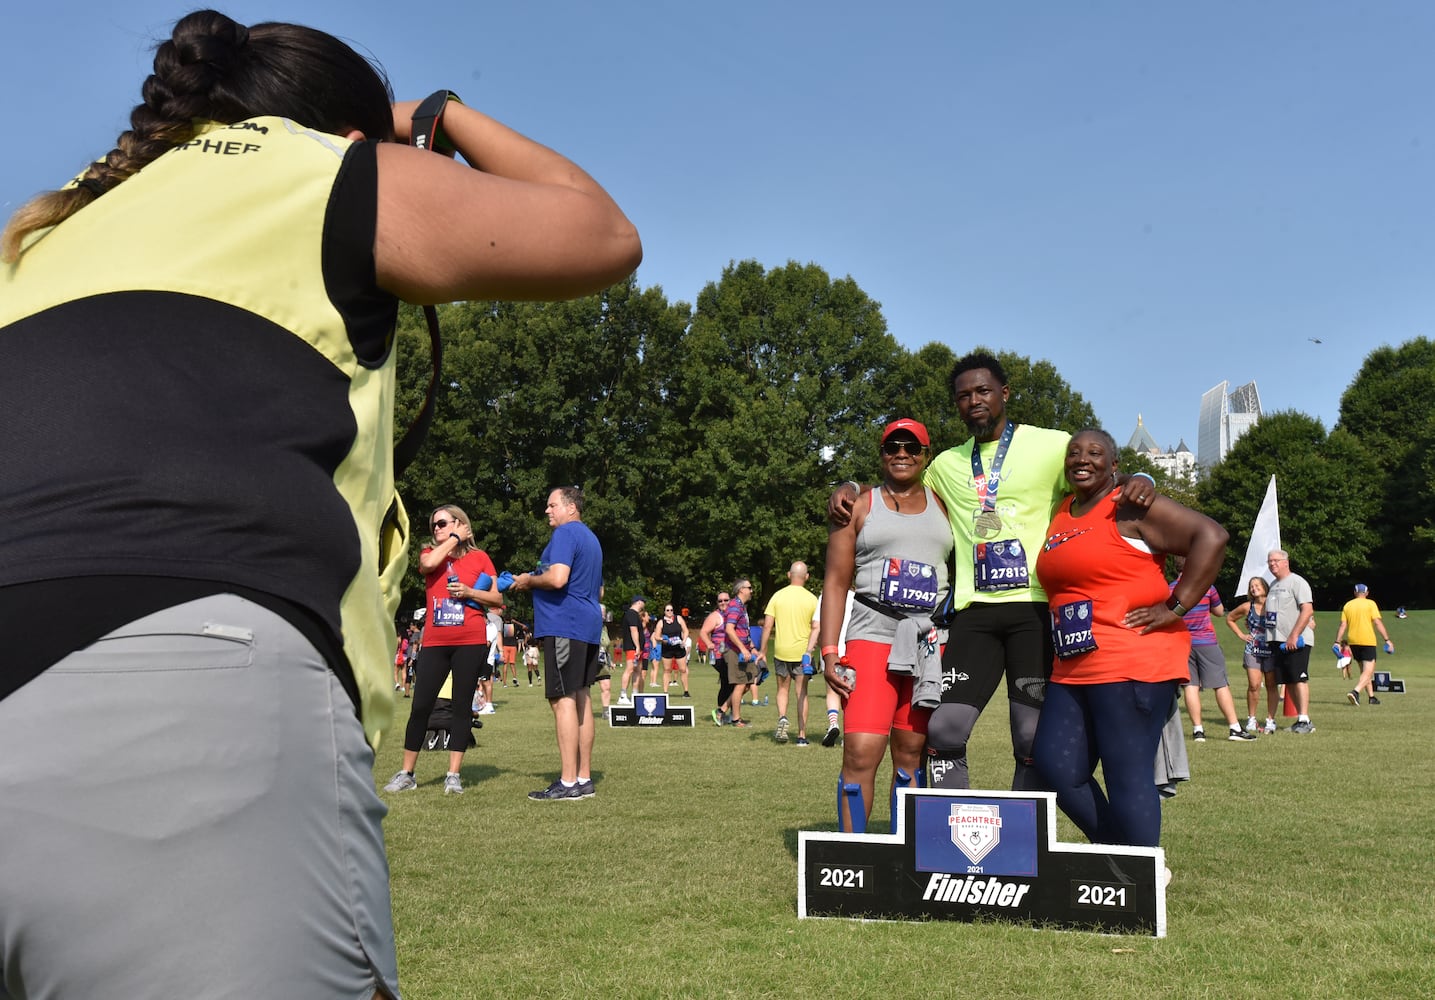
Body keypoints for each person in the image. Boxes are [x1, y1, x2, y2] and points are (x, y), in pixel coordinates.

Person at [0, 10, 639, 997]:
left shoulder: (55, 228)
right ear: (353, 138)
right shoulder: (322, 172)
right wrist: (436, 115)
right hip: (184, 682)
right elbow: (597, 230)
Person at [829, 352, 1156, 790]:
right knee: (942, 730)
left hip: (1035, 610)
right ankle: (949, 846)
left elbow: (1095, 466)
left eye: (983, 391)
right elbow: (900, 489)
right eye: (964, 395)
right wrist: (850, 487)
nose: (974, 401)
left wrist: (1141, 476)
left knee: (1030, 737)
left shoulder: (1051, 443)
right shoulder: (944, 464)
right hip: (974, 612)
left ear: (1004, 393)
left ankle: (1025, 845)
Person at [1032, 429, 1229, 849]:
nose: (1082, 459)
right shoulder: (1064, 510)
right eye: (1074, 453)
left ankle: (1138, 880)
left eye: (1095, 453)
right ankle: (1127, 863)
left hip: (1133, 659)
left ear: (1114, 465)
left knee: (1126, 773)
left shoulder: (1129, 505)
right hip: (1073, 665)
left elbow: (1211, 537)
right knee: (1054, 767)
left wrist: (1175, 606)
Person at [821, 419, 952, 831]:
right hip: (872, 635)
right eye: (892, 446)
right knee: (860, 751)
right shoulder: (857, 505)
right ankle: (851, 855)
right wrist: (828, 652)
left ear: (925, 455)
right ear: (880, 454)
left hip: (929, 643)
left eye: (912, 447)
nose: (901, 453)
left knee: (911, 754)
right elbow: (836, 582)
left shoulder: (946, 504)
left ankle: (906, 856)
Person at [384, 506, 502, 795]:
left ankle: (453, 775)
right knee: (420, 706)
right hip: (435, 643)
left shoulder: (480, 558)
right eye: (433, 525)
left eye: (442, 523)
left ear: (460, 523)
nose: (435, 528)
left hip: (470, 641)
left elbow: (497, 598)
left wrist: (470, 592)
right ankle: (407, 773)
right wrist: (453, 538)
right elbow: (426, 566)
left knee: (461, 707)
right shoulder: (430, 552)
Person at [509, 487, 605, 801]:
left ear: (569, 507)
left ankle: (567, 783)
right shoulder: (591, 539)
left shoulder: (565, 535)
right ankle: (583, 778)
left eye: (551, 505)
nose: (547, 511)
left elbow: (559, 578)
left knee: (562, 698)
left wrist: (527, 580)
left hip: (566, 625)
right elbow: (598, 591)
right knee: (581, 697)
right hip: (588, 625)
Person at [1170, 559, 1256, 742]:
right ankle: (1234, 728)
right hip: (1206, 641)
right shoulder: (1206, 586)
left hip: (1183, 643)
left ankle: (1198, 730)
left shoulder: (1170, 589)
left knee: (1190, 686)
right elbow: (1218, 611)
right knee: (1220, 684)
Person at [761, 561, 820, 745]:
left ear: (788, 575)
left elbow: (768, 625)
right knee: (801, 693)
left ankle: (782, 717)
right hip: (803, 653)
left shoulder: (777, 596)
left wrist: (763, 650)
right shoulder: (812, 599)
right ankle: (802, 735)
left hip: (781, 651)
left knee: (782, 689)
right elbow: (816, 627)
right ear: (807, 577)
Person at [1266, 549, 1316, 733]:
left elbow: (1307, 610)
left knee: (1299, 677)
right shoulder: (1272, 584)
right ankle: (1301, 721)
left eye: (1276, 561)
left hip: (1297, 640)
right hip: (1277, 641)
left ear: (1286, 562)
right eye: (1269, 561)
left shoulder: (1297, 582)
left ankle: (1305, 719)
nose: (1272, 564)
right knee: (1288, 680)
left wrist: (1294, 634)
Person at [1225, 576, 1279, 733]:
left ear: (1265, 586)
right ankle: (1251, 719)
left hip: (1272, 650)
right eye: (1251, 586)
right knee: (1254, 685)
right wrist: (1242, 635)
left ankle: (1270, 720)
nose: (1254, 588)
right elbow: (1229, 618)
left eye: (1257, 585)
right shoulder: (1247, 606)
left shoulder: (1275, 603)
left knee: (1271, 685)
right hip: (1253, 650)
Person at [1336, 583, 1394, 706]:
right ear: (1367, 593)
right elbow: (1377, 623)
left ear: (1355, 593)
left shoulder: (1348, 605)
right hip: (1367, 640)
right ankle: (1355, 692)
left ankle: (1371, 697)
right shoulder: (1371, 604)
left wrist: (1337, 641)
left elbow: (1343, 625)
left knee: (1364, 671)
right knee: (1369, 671)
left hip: (1353, 641)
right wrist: (1387, 639)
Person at [722, 579, 763, 728]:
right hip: (734, 650)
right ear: (741, 590)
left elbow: (743, 631)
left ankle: (722, 710)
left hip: (744, 650)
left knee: (749, 681)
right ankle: (735, 719)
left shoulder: (742, 607)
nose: (751, 591)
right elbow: (729, 629)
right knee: (740, 684)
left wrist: (751, 647)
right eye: (749, 588)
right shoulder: (734, 606)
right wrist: (742, 649)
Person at [699, 592, 731, 723]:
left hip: (731, 655)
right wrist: (709, 643)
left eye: (726, 600)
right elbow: (703, 632)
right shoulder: (715, 616)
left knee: (727, 683)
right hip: (718, 656)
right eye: (720, 601)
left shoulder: (732, 615)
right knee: (731, 682)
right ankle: (721, 712)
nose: (723, 603)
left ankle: (724, 713)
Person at [655, 603, 692, 697]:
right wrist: (663, 640)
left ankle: (686, 692)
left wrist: (684, 641)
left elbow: (686, 630)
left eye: (671, 610)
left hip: (679, 647)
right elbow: (656, 636)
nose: (670, 612)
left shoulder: (678, 618)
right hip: (667, 648)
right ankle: (665, 692)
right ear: (664, 612)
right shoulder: (661, 622)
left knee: (683, 669)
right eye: (667, 610)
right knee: (667, 670)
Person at [617, 595, 646, 704]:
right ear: (638, 602)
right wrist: (637, 646)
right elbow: (634, 631)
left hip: (637, 648)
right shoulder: (631, 614)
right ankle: (623, 695)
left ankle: (635, 694)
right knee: (630, 669)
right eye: (643, 602)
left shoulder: (635, 615)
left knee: (638, 670)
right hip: (632, 647)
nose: (644, 604)